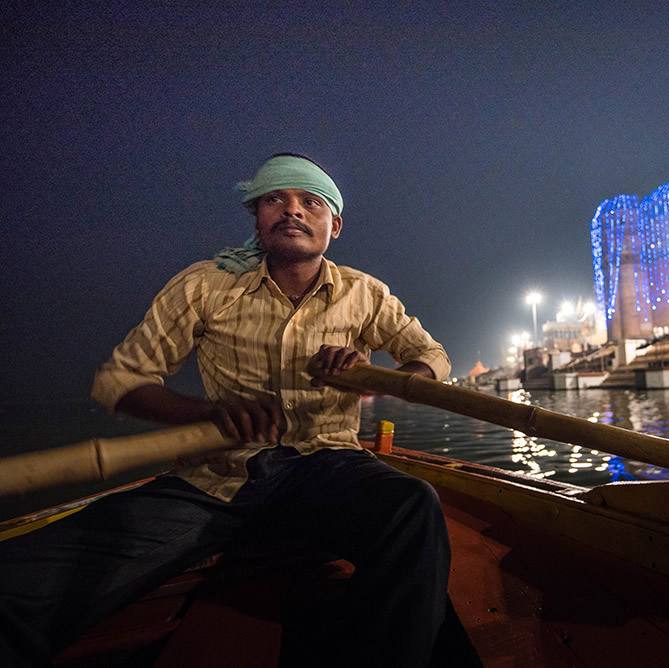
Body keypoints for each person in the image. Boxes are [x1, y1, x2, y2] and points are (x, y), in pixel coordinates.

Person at [0, 153, 453, 667]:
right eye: (274, 200)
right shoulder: (204, 284)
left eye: (311, 202)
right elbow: (120, 381)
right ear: (256, 220)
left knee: (413, 507)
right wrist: (204, 414)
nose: (293, 211)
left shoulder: (364, 294)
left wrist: (375, 381)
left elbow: (433, 359)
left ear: (336, 225)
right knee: (23, 577)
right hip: (213, 480)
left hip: (325, 466)